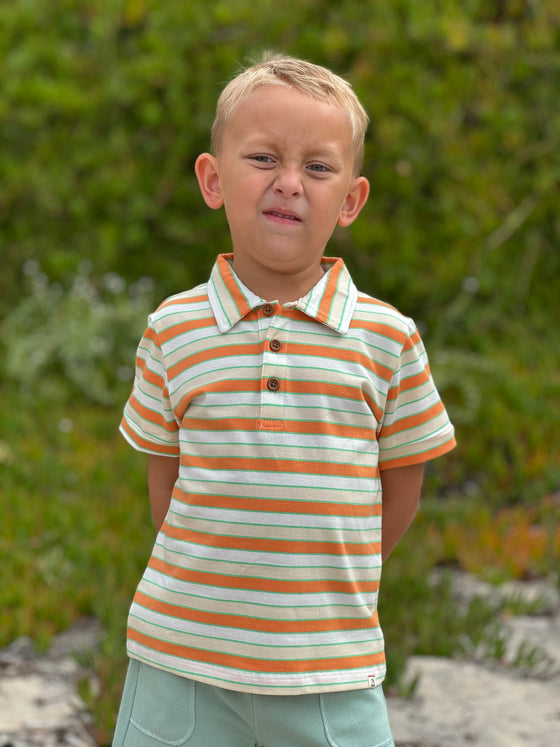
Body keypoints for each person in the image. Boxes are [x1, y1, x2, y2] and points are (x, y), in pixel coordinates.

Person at [113, 53, 456, 747]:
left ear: (352, 200)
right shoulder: (172, 328)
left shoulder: (388, 338)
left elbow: (402, 489)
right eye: (264, 157)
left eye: (318, 167)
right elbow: (165, 489)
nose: (289, 183)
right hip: (180, 661)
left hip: (329, 670)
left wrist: (320, 572)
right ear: (214, 180)